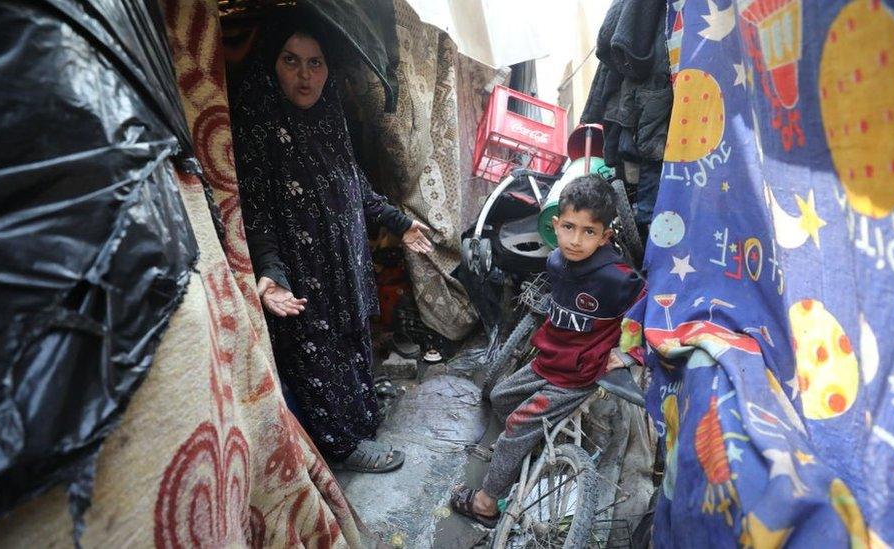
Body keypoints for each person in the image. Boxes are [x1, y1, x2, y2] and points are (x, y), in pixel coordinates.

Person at [231, 14, 432, 473]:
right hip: (303, 271)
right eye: (291, 61)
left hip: (345, 261)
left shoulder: (328, 112)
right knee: (317, 358)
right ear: (272, 63)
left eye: (315, 63)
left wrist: (398, 222)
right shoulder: (258, 121)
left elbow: (353, 183)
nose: (305, 76)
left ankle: (361, 420)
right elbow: (254, 209)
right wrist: (271, 273)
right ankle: (342, 447)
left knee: (354, 342)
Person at [449, 174, 646, 525]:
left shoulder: (617, 278)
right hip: (548, 359)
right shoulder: (556, 261)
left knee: (515, 430)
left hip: (577, 375)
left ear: (605, 236)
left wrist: (629, 353)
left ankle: (485, 503)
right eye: (568, 227)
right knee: (500, 397)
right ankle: (523, 447)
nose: (575, 240)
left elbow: (645, 307)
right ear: (554, 225)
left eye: (589, 232)